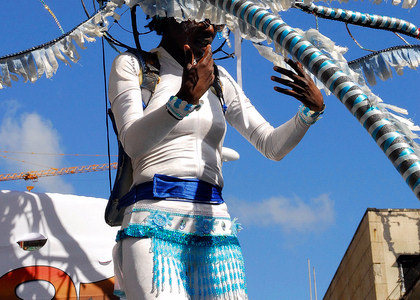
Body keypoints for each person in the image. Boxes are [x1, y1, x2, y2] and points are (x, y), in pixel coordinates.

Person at [108, 16, 324, 299]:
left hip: (215, 225)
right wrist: (183, 99)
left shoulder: (220, 80)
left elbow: (271, 146)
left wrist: (309, 113)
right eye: (198, 17)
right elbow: (133, 143)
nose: (210, 29)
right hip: (153, 223)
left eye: (216, 21)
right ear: (165, 14)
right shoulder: (134, 66)